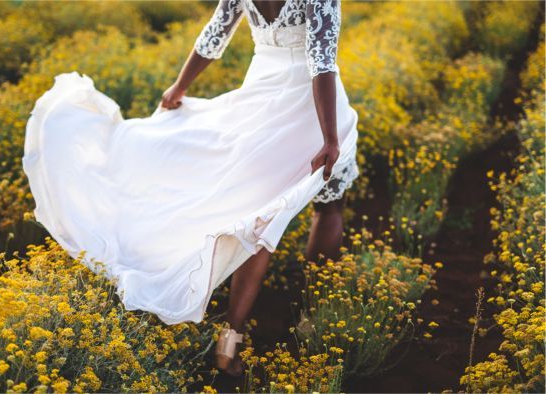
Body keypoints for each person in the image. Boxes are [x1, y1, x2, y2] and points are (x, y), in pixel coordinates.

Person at [22, 0, 359, 379]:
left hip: (259, 106)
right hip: (306, 110)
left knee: (257, 218)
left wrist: (180, 85)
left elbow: (215, 33)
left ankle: (230, 342)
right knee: (328, 208)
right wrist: (331, 138)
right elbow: (322, 62)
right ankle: (311, 316)